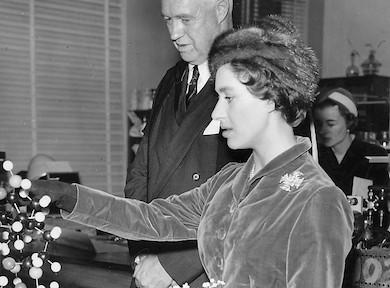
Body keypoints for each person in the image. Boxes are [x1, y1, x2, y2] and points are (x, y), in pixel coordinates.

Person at [30, 16, 354, 288]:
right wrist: (63, 194)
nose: (215, 114)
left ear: (272, 97)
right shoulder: (230, 180)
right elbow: (152, 218)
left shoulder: (317, 200)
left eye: (228, 98)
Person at [124, 0, 241, 286]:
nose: (174, 33)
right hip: (151, 265)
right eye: (167, 20)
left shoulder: (256, 76)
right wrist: (142, 255)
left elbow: (252, 193)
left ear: (221, 8)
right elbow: (141, 174)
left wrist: (172, 266)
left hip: (210, 269)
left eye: (186, 19)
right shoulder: (171, 80)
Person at [313, 87, 389, 196]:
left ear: (349, 121)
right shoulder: (315, 156)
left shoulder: (373, 155)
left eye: (331, 124)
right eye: (319, 124)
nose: (322, 130)